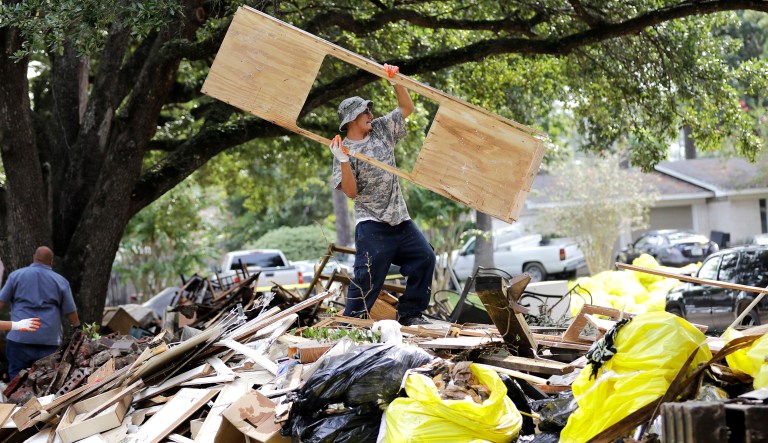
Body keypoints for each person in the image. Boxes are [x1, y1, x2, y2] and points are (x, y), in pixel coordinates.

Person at [330, 64, 436, 327]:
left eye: (369, 109)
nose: (370, 113)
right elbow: (352, 193)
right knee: (366, 277)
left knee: (425, 257)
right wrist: (344, 160)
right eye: (364, 111)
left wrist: (395, 81)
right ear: (351, 120)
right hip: (372, 225)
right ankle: (352, 323)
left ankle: (409, 312)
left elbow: (406, 109)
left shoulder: (380, 129)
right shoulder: (344, 150)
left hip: (400, 219)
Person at [0, 246, 80, 379]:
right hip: (49, 340)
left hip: (20, 339)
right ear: (51, 261)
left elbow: (1, 302)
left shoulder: (16, 276)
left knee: (16, 379)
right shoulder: (60, 281)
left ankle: (17, 399)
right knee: (47, 378)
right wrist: (77, 326)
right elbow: (71, 311)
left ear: (34, 258)